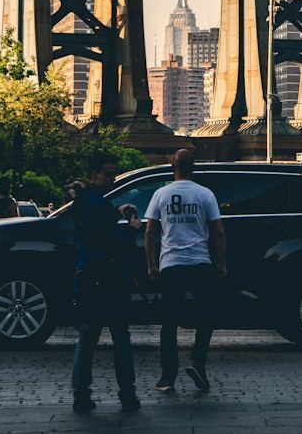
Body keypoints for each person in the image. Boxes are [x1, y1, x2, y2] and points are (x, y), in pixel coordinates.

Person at [144, 147, 227, 394]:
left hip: (171, 265)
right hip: (200, 263)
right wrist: (221, 263)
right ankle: (197, 362)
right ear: (193, 168)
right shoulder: (205, 194)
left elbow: (150, 232)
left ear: (173, 167)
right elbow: (219, 231)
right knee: (206, 316)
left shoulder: (161, 194)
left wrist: (151, 264)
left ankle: (168, 377)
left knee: (169, 323)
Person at [71, 151, 141, 415]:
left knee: (87, 338)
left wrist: (116, 213)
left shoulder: (84, 202)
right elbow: (109, 242)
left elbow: (95, 228)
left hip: (88, 280)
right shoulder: (98, 203)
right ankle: (128, 395)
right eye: (108, 174)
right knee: (121, 338)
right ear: (94, 174)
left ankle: (81, 394)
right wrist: (131, 229)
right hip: (110, 281)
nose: (113, 179)